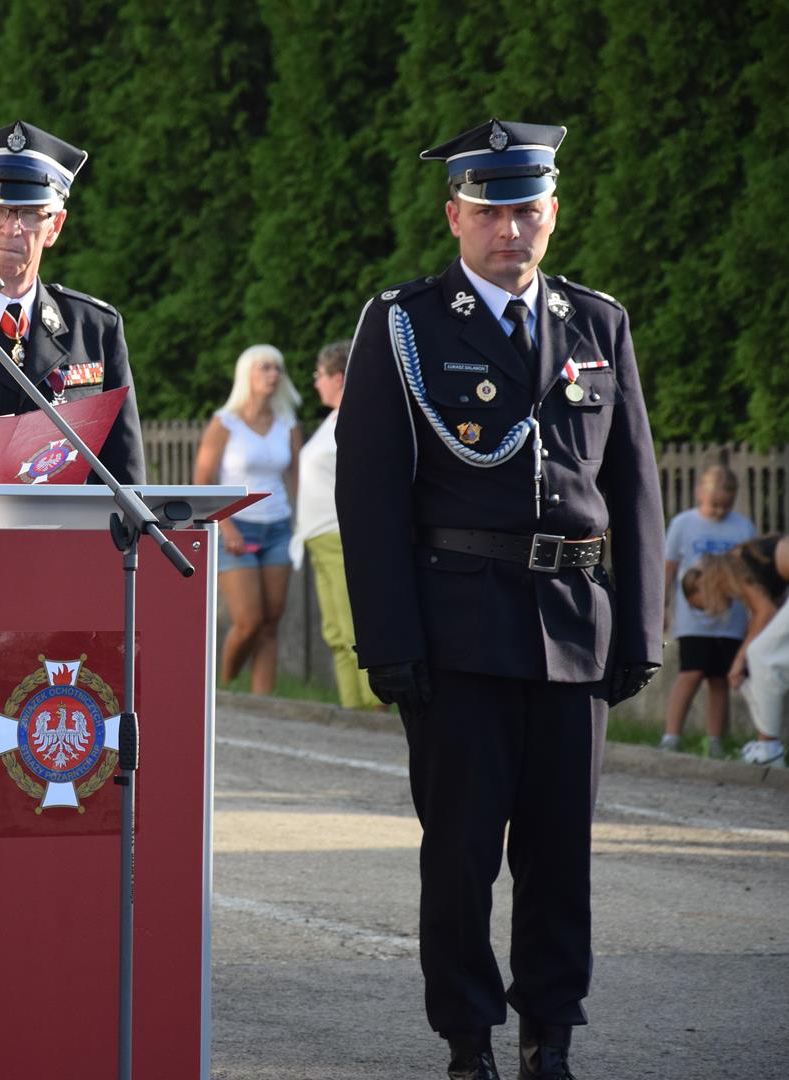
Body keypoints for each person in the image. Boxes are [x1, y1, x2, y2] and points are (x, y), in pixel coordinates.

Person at [334, 119, 662, 1080]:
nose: (510, 229)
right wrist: (389, 637)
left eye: (528, 208)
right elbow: (370, 493)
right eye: (490, 210)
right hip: (459, 631)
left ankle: (550, 1034)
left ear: (553, 214)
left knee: (562, 857)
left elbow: (635, 484)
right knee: (464, 856)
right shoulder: (404, 323)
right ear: (455, 217)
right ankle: (468, 1038)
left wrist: (635, 626)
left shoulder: (598, 324)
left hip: (572, 626)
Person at [0, 120, 146, 484]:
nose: (11, 228)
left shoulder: (93, 328)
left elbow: (125, 476)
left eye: (30, 214)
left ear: (55, 226)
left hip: (66, 536)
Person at [193, 344, 301, 691]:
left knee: (270, 623)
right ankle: (224, 692)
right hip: (236, 531)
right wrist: (226, 526)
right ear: (247, 375)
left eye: (277, 368)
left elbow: (296, 477)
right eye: (265, 368)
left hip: (279, 528)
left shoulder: (287, 423)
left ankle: (263, 705)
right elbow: (202, 481)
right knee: (248, 622)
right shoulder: (224, 423)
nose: (274, 375)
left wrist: (299, 523)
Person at [290, 339, 380, 709]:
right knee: (334, 632)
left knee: (352, 629)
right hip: (319, 537)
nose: (315, 383)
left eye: (320, 375)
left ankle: (372, 709)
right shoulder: (333, 419)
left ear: (339, 377)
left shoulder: (360, 417)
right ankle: (351, 710)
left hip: (340, 535)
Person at [661, 465, 754, 756]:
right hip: (693, 618)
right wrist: (662, 605)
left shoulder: (742, 528)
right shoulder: (683, 524)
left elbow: (750, 574)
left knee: (720, 678)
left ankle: (714, 742)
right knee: (691, 672)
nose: (718, 511)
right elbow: (669, 568)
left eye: (725, 505)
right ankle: (671, 737)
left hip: (731, 618)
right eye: (713, 504)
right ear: (699, 493)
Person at [686, 535, 789, 766]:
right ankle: (767, 744)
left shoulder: (733, 563)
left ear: (703, 584)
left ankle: (769, 749)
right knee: (766, 657)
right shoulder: (741, 562)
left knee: (760, 656)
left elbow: (765, 612)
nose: (710, 609)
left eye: (702, 604)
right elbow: (761, 617)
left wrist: (738, 660)